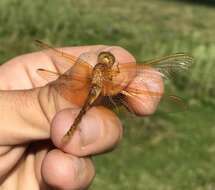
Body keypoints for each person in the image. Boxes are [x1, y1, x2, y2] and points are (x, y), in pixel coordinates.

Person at [0, 45, 163, 190]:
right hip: (88, 96)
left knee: (64, 168)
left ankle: (71, 130)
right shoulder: (106, 71)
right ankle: (71, 131)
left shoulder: (94, 70)